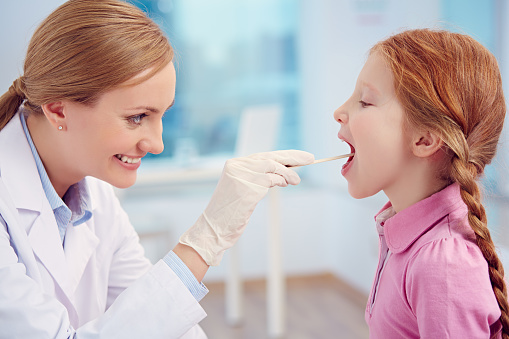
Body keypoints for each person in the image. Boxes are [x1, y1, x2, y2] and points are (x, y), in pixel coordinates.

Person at [0, 0, 314, 338]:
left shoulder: (97, 197)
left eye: (162, 115)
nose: (156, 144)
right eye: (137, 117)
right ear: (58, 111)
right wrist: (202, 243)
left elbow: (159, 323)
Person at [334, 28, 508, 338]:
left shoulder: (442, 265)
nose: (339, 112)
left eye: (365, 101)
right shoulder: (402, 233)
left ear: (425, 138)